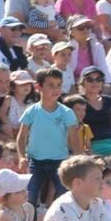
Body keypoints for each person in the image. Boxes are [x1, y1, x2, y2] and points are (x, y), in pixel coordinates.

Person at [17, 68, 79, 205]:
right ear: (38, 87)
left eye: (58, 85)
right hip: (35, 162)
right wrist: (22, 157)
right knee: (29, 197)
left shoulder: (67, 112)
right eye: (50, 85)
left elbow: (74, 138)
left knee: (66, 196)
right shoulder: (31, 111)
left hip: (59, 161)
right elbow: (21, 137)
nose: (55, 89)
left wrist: (80, 160)